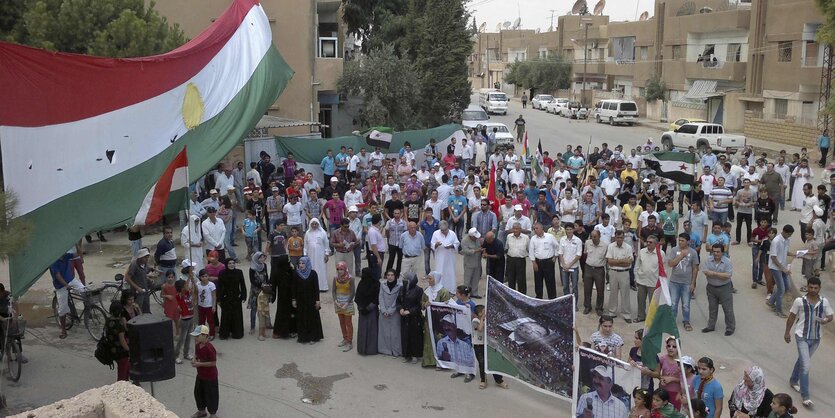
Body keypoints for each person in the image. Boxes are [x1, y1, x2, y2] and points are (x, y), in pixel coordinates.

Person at [783, 276, 833, 407]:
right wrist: (787, 332)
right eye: (810, 287)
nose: (813, 290)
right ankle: (806, 397)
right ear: (807, 287)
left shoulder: (824, 302)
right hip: (802, 337)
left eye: (815, 288)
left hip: (816, 339)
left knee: (802, 360)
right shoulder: (799, 301)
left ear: (819, 288)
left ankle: (793, 380)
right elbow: (792, 316)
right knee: (806, 365)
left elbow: (830, 316)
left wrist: (825, 320)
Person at [700, 244, 735, 335]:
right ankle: (711, 326)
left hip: (724, 288)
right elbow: (705, 271)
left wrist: (713, 274)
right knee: (712, 308)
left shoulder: (727, 262)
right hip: (711, 287)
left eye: (718, 252)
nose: (715, 253)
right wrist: (720, 275)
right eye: (714, 251)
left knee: (728, 309)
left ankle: (730, 328)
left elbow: (727, 275)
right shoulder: (708, 260)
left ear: (722, 252)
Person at [666, 233, 699, 332]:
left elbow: (695, 269)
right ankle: (671, 322)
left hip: (686, 282)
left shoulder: (693, 252)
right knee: (673, 303)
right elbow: (670, 264)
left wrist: (693, 283)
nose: (680, 242)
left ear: (688, 242)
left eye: (682, 240)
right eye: (679, 240)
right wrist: (681, 256)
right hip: (674, 282)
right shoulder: (674, 250)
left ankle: (686, 321)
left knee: (686, 304)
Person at [641, 336, 683, 411]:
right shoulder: (662, 359)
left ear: (679, 348)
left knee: (673, 413)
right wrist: (661, 378)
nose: (671, 348)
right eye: (669, 346)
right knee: (658, 412)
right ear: (666, 347)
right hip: (662, 391)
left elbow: (686, 380)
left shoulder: (682, 362)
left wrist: (672, 379)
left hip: (675, 393)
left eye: (674, 346)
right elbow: (656, 373)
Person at [50, 252, 85, 339]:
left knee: (85, 290)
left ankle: (89, 311)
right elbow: (57, 275)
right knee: (62, 309)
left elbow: (78, 254)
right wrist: (66, 285)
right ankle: (63, 330)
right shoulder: (53, 261)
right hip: (61, 285)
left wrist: (78, 245)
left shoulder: (66, 256)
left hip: (71, 280)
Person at [472, 305, 507, 390]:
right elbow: (480, 329)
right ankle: (483, 380)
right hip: (478, 345)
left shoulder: (488, 320)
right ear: (480, 313)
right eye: (484, 311)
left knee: (492, 363)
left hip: (487, 344)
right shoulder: (475, 321)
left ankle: (499, 380)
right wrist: (482, 319)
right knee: (482, 363)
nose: (485, 312)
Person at [422, 271, 451, 368]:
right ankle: (429, 361)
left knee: (439, 340)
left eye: (431, 279)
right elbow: (422, 304)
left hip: (439, 321)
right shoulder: (427, 291)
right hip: (429, 319)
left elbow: (447, 308)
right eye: (428, 278)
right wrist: (425, 305)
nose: (429, 281)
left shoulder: (443, 292)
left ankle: (442, 363)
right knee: (429, 339)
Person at [292, 256, 324, 344]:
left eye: (303, 263)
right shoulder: (296, 273)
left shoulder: (313, 273)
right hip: (300, 300)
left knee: (311, 318)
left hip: (311, 299)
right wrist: (294, 299)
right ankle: (303, 337)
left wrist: (317, 300)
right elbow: (294, 287)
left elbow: (316, 288)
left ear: (307, 264)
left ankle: (313, 337)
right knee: (301, 318)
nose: (301, 265)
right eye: (300, 263)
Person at [190, 324, 219, 418]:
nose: (195, 338)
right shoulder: (198, 345)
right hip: (200, 375)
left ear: (205, 336)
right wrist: (194, 358)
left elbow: (213, 363)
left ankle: (213, 414)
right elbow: (196, 354)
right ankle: (202, 411)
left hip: (210, 377)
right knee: (198, 393)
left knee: (211, 395)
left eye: (197, 336)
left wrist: (199, 364)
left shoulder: (210, 348)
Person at [768, 225, 796, 318]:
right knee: (781, 289)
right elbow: (773, 257)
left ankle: (771, 301)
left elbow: (785, 252)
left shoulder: (787, 240)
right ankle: (778, 310)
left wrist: (794, 255)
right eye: (789, 234)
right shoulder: (776, 241)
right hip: (776, 268)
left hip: (782, 266)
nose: (790, 236)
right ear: (784, 231)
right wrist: (782, 268)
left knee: (787, 287)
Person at [607, 230, 635, 322]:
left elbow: (629, 263)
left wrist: (616, 261)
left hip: (624, 273)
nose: (619, 239)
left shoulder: (628, 247)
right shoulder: (611, 246)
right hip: (613, 272)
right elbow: (610, 262)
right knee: (613, 293)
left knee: (625, 294)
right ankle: (612, 312)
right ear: (615, 237)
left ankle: (626, 314)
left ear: (623, 238)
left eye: (621, 237)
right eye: (618, 237)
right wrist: (622, 261)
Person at [635, 235, 664, 323]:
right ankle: (641, 316)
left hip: (654, 282)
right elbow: (637, 266)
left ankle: (653, 319)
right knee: (641, 300)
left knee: (653, 303)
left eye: (650, 242)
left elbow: (663, 269)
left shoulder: (661, 253)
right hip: (642, 280)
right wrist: (636, 278)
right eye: (647, 242)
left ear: (656, 244)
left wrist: (661, 282)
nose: (648, 243)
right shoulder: (642, 252)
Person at [217, 259, 246, 340]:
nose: (232, 265)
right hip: (226, 297)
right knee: (226, 316)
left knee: (236, 315)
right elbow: (219, 287)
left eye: (233, 263)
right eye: (229, 263)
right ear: (226, 264)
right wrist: (219, 298)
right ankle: (224, 333)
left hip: (236, 297)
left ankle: (237, 333)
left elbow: (242, 284)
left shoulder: (239, 272)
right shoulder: (222, 273)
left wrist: (243, 296)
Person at [399, 272, 424, 363]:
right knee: (405, 336)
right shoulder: (402, 289)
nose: (404, 281)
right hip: (404, 317)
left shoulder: (419, 290)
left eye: (406, 279)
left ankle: (415, 355)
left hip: (414, 317)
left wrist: (410, 311)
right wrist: (401, 309)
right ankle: (406, 355)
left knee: (414, 336)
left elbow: (419, 305)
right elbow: (399, 301)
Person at [331, 261, 356, 352]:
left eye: (341, 269)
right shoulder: (335, 278)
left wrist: (346, 303)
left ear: (345, 269)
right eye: (338, 269)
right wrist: (336, 301)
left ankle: (349, 341)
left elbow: (353, 292)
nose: (339, 271)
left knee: (348, 323)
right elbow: (333, 291)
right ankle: (345, 338)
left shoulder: (351, 279)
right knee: (341, 322)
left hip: (347, 303)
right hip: (338, 303)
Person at [355, 267, 380, 355]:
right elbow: (357, 297)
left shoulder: (376, 284)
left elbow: (377, 298)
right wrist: (361, 307)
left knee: (371, 330)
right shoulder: (361, 283)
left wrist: (368, 308)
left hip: (372, 311)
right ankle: (362, 349)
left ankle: (370, 350)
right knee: (362, 330)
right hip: (362, 310)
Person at [378, 269, 403, 356]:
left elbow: (397, 300)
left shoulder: (400, 286)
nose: (390, 277)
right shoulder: (382, 284)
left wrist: (390, 311)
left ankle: (396, 351)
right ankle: (385, 350)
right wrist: (383, 310)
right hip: (383, 312)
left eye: (392, 275)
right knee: (384, 332)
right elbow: (380, 297)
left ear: (395, 276)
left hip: (394, 312)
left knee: (395, 333)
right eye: (388, 275)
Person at [431, 220, 460, 292]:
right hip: (440, 257)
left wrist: (451, 246)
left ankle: (451, 290)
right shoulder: (436, 233)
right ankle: (440, 290)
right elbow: (432, 244)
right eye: (442, 230)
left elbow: (457, 243)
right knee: (440, 272)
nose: (444, 232)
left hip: (450, 257)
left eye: (445, 230)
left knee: (450, 272)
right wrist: (436, 244)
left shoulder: (452, 233)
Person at [105, 301, 130, 381]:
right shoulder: (119, 324)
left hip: (112, 349)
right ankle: (121, 387)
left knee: (125, 368)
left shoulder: (108, 321)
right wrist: (129, 350)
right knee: (122, 373)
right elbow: (122, 341)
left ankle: (125, 384)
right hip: (121, 352)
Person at [304, 218, 330, 292]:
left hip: (321, 255)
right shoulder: (307, 233)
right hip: (310, 256)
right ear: (310, 224)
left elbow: (326, 244)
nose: (314, 225)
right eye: (313, 224)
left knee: (321, 270)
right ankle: (312, 287)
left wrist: (326, 254)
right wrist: (305, 255)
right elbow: (305, 245)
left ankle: (322, 287)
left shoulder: (322, 232)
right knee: (311, 270)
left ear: (318, 224)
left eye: (316, 224)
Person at [125, 247, 153, 314]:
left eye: (147, 257)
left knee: (146, 309)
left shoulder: (144, 264)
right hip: (137, 293)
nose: (147, 259)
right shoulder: (134, 265)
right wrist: (137, 287)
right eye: (145, 257)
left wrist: (150, 278)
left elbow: (144, 273)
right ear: (140, 257)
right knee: (138, 309)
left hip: (145, 291)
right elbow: (127, 278)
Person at [248, 252, 269, 336]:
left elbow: (266, 276)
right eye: (261, 258)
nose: (262, 259)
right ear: (256, 258)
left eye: (263, 257)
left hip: (264, 290)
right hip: (255, 291)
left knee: (265, 307)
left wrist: (267, 284)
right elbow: (252, 280)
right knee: (254, 309)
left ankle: (267, 324)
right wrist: (261, 285)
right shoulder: (252, 268)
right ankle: (252, 327)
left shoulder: (264, 266)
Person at [174, 278, 195, 364]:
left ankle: (186, 354)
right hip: (185, 319)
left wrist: (190, 277)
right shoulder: (180, 295)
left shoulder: (187, 293)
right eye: (185, 285)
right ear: (182, 288)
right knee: (182, 339)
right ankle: (176, 356)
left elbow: (193, 287)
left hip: (191, 318)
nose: (187, 286)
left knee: (188, 338)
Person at [161, 270, 179, 336]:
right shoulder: (164, 286)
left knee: (176, 319)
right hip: (168, 305)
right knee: (169, 319)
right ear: (166, 277)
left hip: (176, 304)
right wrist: (167, 296)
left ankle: (177, 331)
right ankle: (169, 332)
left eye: (172, 277)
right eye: (169, 277)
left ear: (174, 277)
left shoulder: (176, 285)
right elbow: (161, 295)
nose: (170, 279)